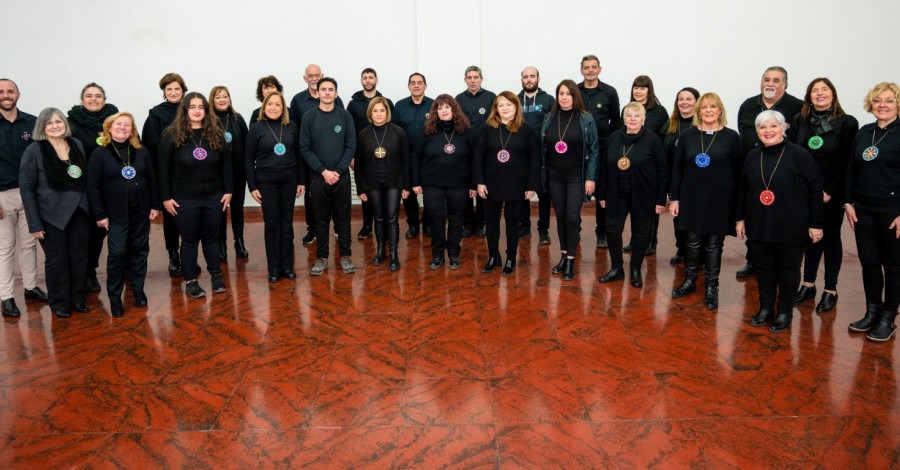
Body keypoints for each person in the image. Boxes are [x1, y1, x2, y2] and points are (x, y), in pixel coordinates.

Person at [737, 110, 823, 333]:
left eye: (773, 126)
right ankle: (766, 308)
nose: (768, 131)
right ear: (757, 131)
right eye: (763, 127)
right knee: (764, 270)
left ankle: (784, 312)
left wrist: (816, 223)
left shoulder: (800, 155)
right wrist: (740, 218)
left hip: (791, 225)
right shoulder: (752, 156)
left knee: (788, 271)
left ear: (784, 128)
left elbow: (815, 191)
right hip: (759, 224)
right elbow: (742, 190)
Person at [790, 78, 859, 313]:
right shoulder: (800, 120)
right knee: (808, 238)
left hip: (832, 192)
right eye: (815, 91)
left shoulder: (847, 122)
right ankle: (808, 284)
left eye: (824, 90)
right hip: (804, 193)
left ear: (833, 94)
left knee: (829, 238)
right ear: (809, 96)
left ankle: (831, 289)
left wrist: (829, 190)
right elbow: (794, 156)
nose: (820, 94)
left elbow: (848, 161)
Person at [669, 93, 743, 309]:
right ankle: (690, 280)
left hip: (720, 200)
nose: (708, 111)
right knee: (691, 242)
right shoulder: (688, 136)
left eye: (713, 107)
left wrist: (739, 207)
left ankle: (712, 286)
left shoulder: (732, 137)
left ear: (720, 110)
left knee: (713, 245)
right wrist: (674, 198)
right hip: (691, 197)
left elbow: (739, 173)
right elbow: (678, 169)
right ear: (698, 112)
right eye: (704, 107)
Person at [158, 92, 233, 298]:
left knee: (212, 239)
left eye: (201, 107)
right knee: (190, 240)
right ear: (185, 110)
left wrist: (228, 191)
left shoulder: (216, 134)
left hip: (214, 197)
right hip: (184, 199)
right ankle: (191, 281)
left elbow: (226, 165)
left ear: (206, 111)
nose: (197, 110)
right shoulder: (171, 136)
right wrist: (165, 197)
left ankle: (216, 276)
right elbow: (162, 170)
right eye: (192, 107)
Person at [86, 112, 160, 317]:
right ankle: (114, 297)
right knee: (117, 254)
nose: (122, 128)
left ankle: (138, 290)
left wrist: (155, 204)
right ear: (109, 128)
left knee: (139, 251)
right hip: (115, 214)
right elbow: (92, 186)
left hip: (141, 211)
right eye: (118, 124)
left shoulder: (141, 151)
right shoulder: (100, 153)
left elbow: (152, 179)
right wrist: (100, 214)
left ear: (132, 130)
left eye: (127, 125)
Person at [19, 108, 91, 318]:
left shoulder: (76, 145)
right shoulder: (34, 150)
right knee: (57, 259)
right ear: (42, 127)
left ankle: (78, 299)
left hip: (80, 211)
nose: (55, 126)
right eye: (49, 123)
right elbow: (27, 187)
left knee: (79, 258)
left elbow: (84, 178)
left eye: (58, 121)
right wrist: (34, 223)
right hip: (50, 215)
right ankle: (59, 302)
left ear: (65, 124)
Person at [735, 66, 804, 278]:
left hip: (783, 175)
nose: (770, 84)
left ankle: (780, 263)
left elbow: (800, 139)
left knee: (779, 218)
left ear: (785, 84)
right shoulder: (748, 105)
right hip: (754, 171)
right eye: (766, 79)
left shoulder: (798, 107)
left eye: (776, 80)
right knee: (754, 215)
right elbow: (742, 133)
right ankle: (753, 260)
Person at [845, 82, 900, 342]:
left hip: (893, 212)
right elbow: (851, 169)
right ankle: (872, 311)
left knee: (893, 267)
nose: (882, 105)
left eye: (889, 100)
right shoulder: (864, 133)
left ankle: (888, 318)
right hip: (863, 209)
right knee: (869, 264)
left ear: (898, 104)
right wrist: (847, 202)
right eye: (877, 100)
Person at [597, 102, 667, 288]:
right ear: (623, 118)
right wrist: (601, 194)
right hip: (615, 193)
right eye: (629, 115)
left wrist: (661, 199)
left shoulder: (652, 140)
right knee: (612, 230)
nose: (633, 119)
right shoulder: (614, 138)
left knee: (641, 233)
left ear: (643, 119)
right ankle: (617, 268)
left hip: (643, 194)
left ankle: (635, 268)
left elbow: (662, 170)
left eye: (637, 115)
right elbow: (603, 168)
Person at [475, 91, 540, 275]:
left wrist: (531, 185)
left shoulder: (526, 130)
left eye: (509, 104)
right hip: (491, 184)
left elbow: (535, 159)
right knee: (492, 222)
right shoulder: (487, 129)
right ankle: (493, 256)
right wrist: (479, 182)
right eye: (501, 105)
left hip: (517, 185)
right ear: (496, 108)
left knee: (513, 223)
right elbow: (478, 157)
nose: (505, 108)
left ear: (516, 107)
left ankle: (511, 256)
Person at [541, 79, 599, 280]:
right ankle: (564, 256)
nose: (564, 97)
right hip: (554, 176)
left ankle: (572, 261)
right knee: (561, 216)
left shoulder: (585, 119)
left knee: (572, 218)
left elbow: (594, 149)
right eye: (561, 93)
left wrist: (590, 178)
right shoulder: (549, 118)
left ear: (575, 96)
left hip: (576, 176)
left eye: (569, 94)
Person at [299, 77, 356, 276]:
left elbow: (351, 146)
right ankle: (321, 257)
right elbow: (304, 149)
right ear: (318, 92)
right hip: (318, 178)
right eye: (323, 89)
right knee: (320, 221)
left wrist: (338, 171)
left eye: (331, 89)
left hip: (341, 177)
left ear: (336, 93)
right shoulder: (308, 117)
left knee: (343, 220)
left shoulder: (345, 116)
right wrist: (323, 171)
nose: (327, 92)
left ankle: (346, 256)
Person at [411, 94, 476, 270]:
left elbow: (474, 159)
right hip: (433, 184)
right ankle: (437, 255)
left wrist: (473, 184)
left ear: (454, 109)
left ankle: (454, 254)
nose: (444, 110)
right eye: (440, 108)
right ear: (435, 112)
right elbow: (416, 158)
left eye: (447, 107)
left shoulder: (466, 132)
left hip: (459, 184)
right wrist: (416, 182)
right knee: (436, 220)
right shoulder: (426, 132)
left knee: (456, 220)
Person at [0, 78, 47, 318]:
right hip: (2, 196)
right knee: (5, 248)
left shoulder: (32, 122)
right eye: (1, 92)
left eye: (10, 91)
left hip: (30, 194)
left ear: (18, 94)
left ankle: (30, 287)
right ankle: (6, 296)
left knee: (29, 244)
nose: (5, 95)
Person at [246, 92, 305, 283]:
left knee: (286, 224)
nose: (273, 107)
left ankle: (287, 266)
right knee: (272, 224)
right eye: (269, 104)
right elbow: (248, 158)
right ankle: (273, 267)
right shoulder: (256, 128)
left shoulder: (291, 127)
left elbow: (299, 155)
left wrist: (301, 180)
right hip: (266, 182)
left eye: (277, 105)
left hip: (289, 180)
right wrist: (252, 185)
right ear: (264, 107)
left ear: (283, 108)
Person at [67, 82, 119, 292]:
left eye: (98, 95)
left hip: (109, 187)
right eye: (89, 95)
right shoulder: (71, 123)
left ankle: (92, 270)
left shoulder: (114, 120)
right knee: (82, 234)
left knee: (99, 235)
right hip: (81, 188)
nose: (94, 99)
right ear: (82, 100)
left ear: (104, 99)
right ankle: (81, 273)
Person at [291, 64, 345, 247]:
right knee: (311, 197)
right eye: (310, 76)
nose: (314, 78)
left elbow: (345, 135)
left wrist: (337, 169)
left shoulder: (339, 105)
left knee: (339, 202)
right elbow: (296, 131)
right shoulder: (298, 101)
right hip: (310, 159)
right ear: (305, 78)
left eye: (317, 75)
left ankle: (338, 228)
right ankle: (312, 229)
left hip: (336, 163)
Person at [354, 96, 409, 271]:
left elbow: (405, 160)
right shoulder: (363, 134)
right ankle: (380, 251)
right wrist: (360, 187)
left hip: (394, 181)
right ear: (370, 113)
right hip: (372, 182)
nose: (379, 114)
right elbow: (359, 163)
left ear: (387, 112)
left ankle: (393, 253)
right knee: (378, 217)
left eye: (382, 110)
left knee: (391, 218)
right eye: (375, 111)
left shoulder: (398, 132)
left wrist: (407, 185)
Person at [142, 72, 187, 277]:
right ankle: (173, 256)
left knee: (190, 216)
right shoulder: (156, 115)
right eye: (169, 89)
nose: (173, 92)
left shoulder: (192, 110)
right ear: (163, 92)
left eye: (177, 89)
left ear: (183, 90)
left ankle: (188, 254)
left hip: (191, 174)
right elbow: (150, 147)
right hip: (167, 174)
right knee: (171, 217)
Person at [577, 55, 621, 249]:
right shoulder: (575, 91)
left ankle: (601, 232)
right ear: (581, 71)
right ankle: (574, 230)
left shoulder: (610, 92)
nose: (590, 70)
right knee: (576, 191)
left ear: (600, 70)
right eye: (586, 67)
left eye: (594, 67)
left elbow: (616, 122)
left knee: (603, 191)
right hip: (578, 150)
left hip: (603, 149)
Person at [621, 75, 668, 255]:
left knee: (649, 206)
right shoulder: (627, 109)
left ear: (649, 90)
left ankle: (651, 240)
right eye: (636, 87)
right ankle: (635, 239)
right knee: (635, 205)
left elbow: (663, 139)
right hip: (631, 164)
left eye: (642, 88)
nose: (638, 91)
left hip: (650, 165)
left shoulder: (659, 111)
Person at [347, 68, 395, 241]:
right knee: (367, 191)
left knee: (385, 194)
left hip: (385, 156)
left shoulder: (386, 102)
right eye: (365, 78)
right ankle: (367, 225)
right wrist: (352, 156)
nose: (368, 80)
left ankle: (386, 227)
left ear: (377, 80)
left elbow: (393, 131)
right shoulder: (353, 104)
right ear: (361, 81)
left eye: (370, 77)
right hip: (364, 155)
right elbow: (350, 131)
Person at [210, 85, 250, 261]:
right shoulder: (207, 121)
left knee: (237, 209)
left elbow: (247, 145)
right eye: (218, 97)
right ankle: (221, 244)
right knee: (220, 210)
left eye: (225, 96)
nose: (222, 100)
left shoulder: (237, 119)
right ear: (212, 100)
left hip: (237, 172)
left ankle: (239, 241)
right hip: (217, 175)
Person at [456, 66, 496, 239]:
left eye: (476, 77)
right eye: (469, 77)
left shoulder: (491, 97)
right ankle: (467, 224)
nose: (472, 80)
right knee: (465, 188)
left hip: (485, 150)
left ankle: (480, 224)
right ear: (465, 80)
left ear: (481, 79)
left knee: (482, 189)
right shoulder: (458, 99)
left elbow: (495, 121)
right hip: (464, 150)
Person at [392, 73, 433, 239]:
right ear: (408, 86)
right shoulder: (400, 106)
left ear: (425, 85)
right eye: (413, 83)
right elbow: (394, 131)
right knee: (408, 193)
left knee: (430, 193)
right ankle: (414, 224)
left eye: (420, 82)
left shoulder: (433, 105)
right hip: (406, 158)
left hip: (429, 158)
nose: (416, 85)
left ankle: (428, 224)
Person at [517, 66, 555, 245]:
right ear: (521, 79)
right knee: (522, 192)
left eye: (532, 76)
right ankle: (524, 226)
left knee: (544, 193)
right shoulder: (515, 100)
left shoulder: (548, 100)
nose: (529, 79)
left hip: (544, 155)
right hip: (521, 156)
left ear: (538, 78)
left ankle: (543, 228)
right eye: (526, 77)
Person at [662, 87, 700, 265]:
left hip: (694, 179)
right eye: (681, 99)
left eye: (689, 99)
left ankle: (696, 253)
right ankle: (681, 249)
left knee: (693, 217)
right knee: (677, 217)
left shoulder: (701, 126)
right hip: (674, 178)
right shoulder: (670, 125)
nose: (684, 102)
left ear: (697, 102)